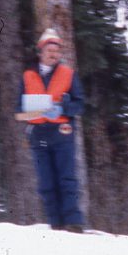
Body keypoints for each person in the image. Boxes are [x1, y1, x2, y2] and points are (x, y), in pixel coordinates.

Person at [18, 28, 86, 232]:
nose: (53, 54)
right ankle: (55, 224)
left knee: (67, 178)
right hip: (38, 134)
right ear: (41, 52)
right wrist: (33, 112)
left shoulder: (68, 74)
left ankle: (74, 222)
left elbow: (80, 105)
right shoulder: (28, 76)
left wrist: (64, 107)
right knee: (46, 182)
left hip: (62, 132)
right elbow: (18, 111)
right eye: (50, 50)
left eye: (57, 51)